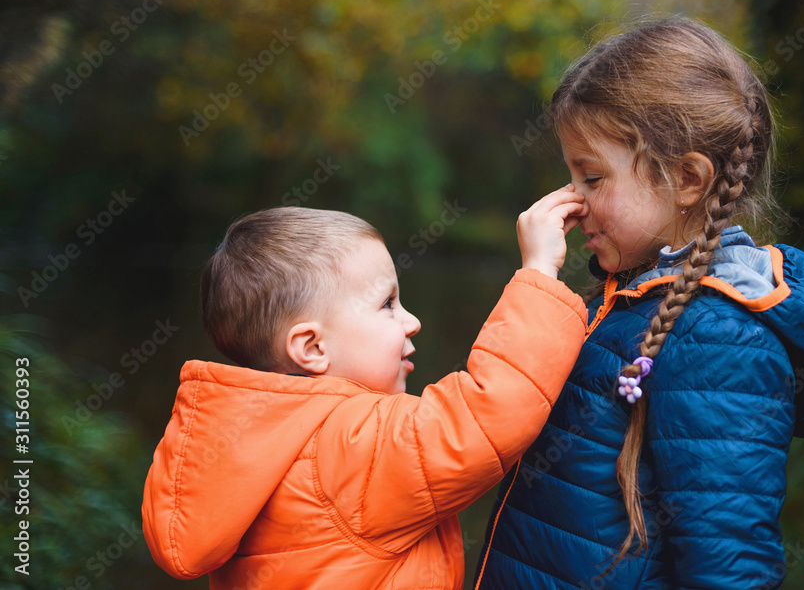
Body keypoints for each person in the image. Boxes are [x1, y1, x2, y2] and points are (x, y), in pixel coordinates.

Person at [473, 17, 804, 589]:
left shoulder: (718, 338)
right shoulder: (629, 298)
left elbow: (728, 566)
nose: (571, 202)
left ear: (687, 179)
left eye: (591, 178)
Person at [141, 192, 589, 589]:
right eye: (387, 304)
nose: (411, 321)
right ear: (313, 347)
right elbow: (484, 412)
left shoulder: (250, 445)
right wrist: (540, 274)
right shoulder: (348, 445)